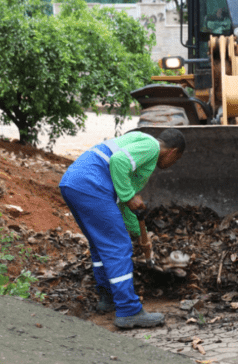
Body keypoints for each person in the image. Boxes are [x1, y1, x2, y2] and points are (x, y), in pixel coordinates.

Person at [59, 129, 186, 329]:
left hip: (73, 182)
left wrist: (140, 232)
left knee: (100, 245)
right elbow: (118, 161)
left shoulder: (139, 150)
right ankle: (129, 310)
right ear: (173, 152)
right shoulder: (151, 146)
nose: (172, 164)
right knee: (118, 247)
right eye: (176, 160)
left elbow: (123, 206)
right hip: (91, 184)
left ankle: (108, 298)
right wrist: (129, 196)